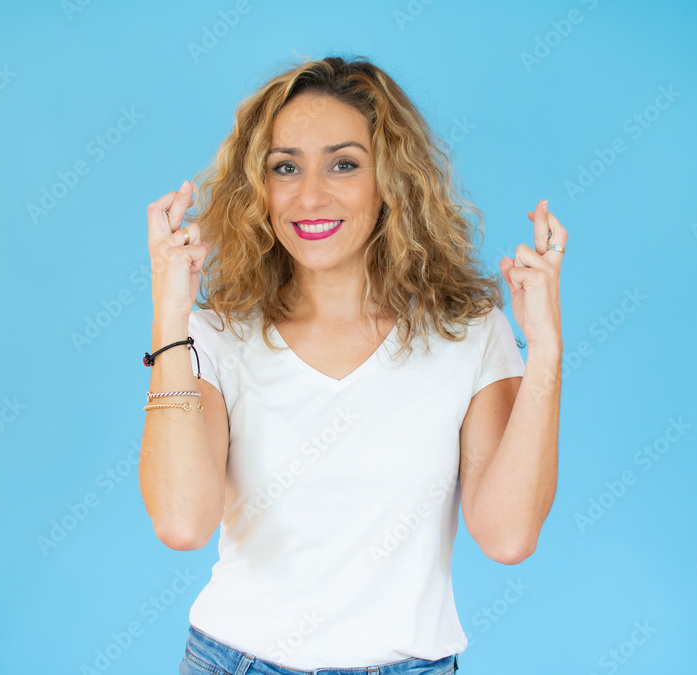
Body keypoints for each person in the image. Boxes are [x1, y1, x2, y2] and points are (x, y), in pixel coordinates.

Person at [139, 55, 566, 675]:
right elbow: (182, 523)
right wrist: (169, 318)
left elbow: (509, 538)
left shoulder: (469, 335)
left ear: (390, 180)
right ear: (259, 188)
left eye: (344, 164)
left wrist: (545, 352)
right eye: (285, 167)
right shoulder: (212, 336)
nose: (310, 195)